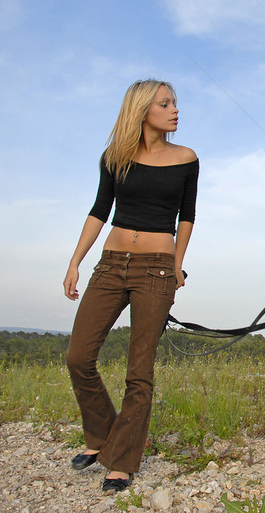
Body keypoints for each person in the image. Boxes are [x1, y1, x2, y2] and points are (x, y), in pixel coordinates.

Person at [63, 79, 199, 492]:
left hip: (156, 270)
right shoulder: (115, 157)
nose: (175, 109)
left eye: (174, 102)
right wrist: (75, 261)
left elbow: (187, 217)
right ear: (143, 110)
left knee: (139, 371)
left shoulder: (186, 158)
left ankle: (121, 461)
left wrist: (177, 265)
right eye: (165, 103)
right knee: (78, 356)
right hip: (111, 264)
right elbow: (99, 210)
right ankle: (103, 434)